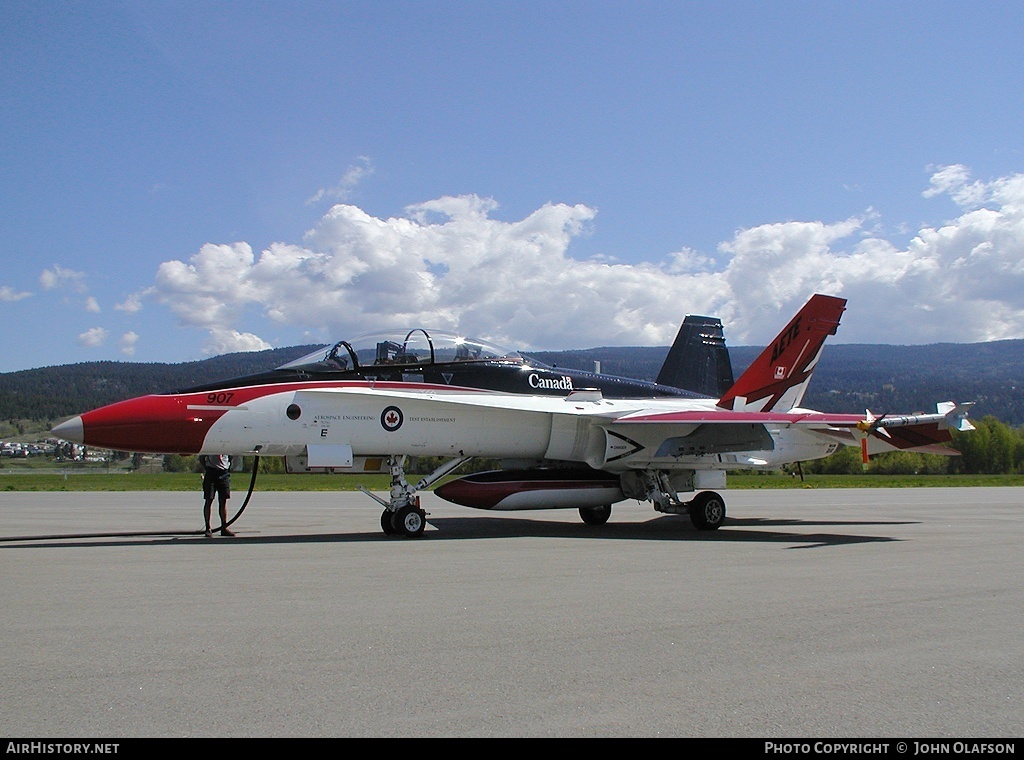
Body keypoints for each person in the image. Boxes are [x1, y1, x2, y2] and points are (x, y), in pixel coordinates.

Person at [201, 454, 234, 537]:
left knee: (223, 501)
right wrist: (207, 468)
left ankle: (224, 527)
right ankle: (208, 528)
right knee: (209, 500)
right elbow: (201, 458)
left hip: (223, 473)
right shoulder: (212, 447)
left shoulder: (227, 448)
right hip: (211, 472)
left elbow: (231, 457)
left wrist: (227, 466)